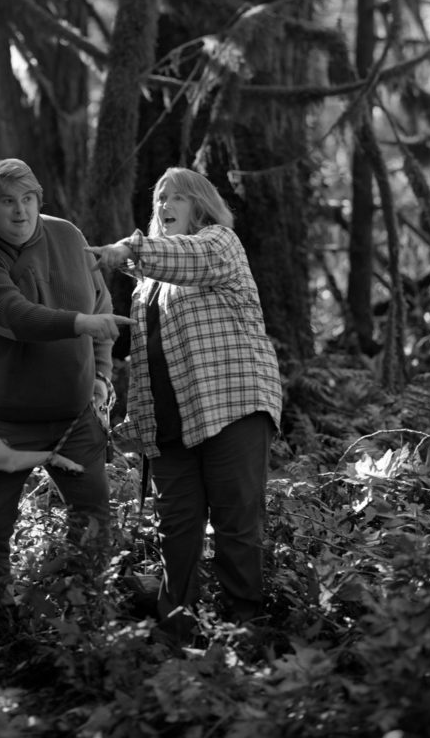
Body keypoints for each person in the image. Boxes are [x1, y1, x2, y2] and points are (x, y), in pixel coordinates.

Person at [0, 157, 130, 643]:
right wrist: (78, 325)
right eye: (8, 202)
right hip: (0, 422)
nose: (20, 213)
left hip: (73, 417)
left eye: (28, 200)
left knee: (93, 516)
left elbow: (101, 307)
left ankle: (79, 610)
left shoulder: (67, 236)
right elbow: (17, 316)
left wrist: (102, 376)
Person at [88, 167, 283, 638]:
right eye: (158, 199)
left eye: (176, 196)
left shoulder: (219, 244)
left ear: (200, 204)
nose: (164, 205)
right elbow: (148, 358)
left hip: (231, 407)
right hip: (169, 425)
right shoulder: (148, 284)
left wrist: (123, 251)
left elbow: (188, 258)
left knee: (236, 524)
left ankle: (242, 632)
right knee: (176, 531)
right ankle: (175, 633)